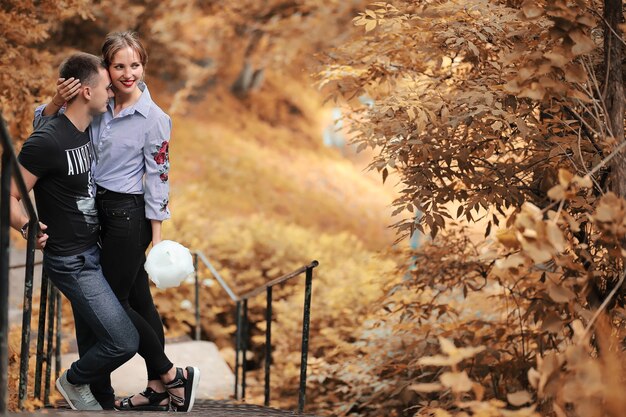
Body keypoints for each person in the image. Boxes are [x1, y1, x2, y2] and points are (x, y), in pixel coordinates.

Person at [36, 31, 200, 412]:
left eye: (135, 65)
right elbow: (43, 128)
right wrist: (57, 98)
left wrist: (157, 240)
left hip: (128, 217)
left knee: (114, 302)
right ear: (106, 69)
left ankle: (171, 375)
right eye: (119, 66)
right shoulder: (97, 102)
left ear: (144, 66)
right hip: (95, 215)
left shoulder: (155, 119)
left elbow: (159, 176)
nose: (128, 74)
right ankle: (159, 388)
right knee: (140, 303)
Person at [11, 52, 139, 411]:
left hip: (93, 251)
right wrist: (26, 224)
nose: (111, 94)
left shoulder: (83, 130)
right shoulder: (48, 141)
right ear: (85, 92)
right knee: (124, 341)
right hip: (71, 260)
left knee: (105, 333)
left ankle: (94, 395)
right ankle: (72, 380)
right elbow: (8, 192)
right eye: (105, 88)